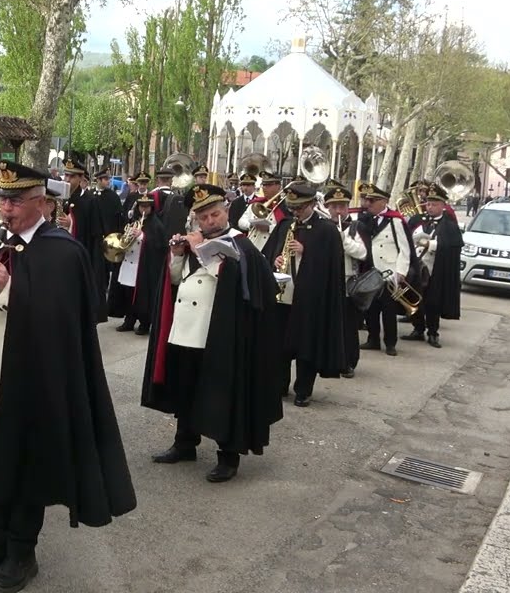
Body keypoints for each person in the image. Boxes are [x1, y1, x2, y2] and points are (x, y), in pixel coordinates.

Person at [0, 160, 136, 592]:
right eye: (2, 198)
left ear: (43, 203)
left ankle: (22, 550)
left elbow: (68, 321)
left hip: (31, 382)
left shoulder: (63, 251)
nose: (6, 209)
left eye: (15, 200)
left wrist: (11, 290)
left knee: (24, 462)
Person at [142, 183, 282, 481]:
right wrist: (178, 254)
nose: (210, 221)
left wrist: (200, 250)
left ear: (226, 211)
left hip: (218, 334)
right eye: (203, 217)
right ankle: (185, 443)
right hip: (186, 330)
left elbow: (247, 286)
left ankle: (227, 456)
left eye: (215, 214)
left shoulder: (241, 245)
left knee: (221, 393)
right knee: (186, 387)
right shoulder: (195, 240)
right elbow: (176, 279)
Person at [262, 181, 347, 407]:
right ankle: (279, 385)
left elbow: (333, 267)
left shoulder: (326, 230)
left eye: (300, 208)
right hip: (285, 293)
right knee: (280, 344)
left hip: (311, 297)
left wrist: (306, 253)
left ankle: (303, 389)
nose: (296, 212)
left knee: (305, 344)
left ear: (311, 203)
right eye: (293, 208)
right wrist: (275, 259)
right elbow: (270, 251)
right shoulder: (285, 225)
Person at [356, 183, 414, 356]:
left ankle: (390, 343)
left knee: (388, 310)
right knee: (371, 309)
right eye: (368, 200)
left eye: (373, 201)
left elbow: (405, 248)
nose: (369, 204)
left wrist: (401, 271)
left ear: (384, 202)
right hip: (370, 271)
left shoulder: (395, 220)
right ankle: (373, 339)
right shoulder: (364, 219)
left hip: (389, 272)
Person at [402, 185, 463, 349]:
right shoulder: (417, 220)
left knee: (433, 302)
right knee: (414, 298)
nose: (430, 207)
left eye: (434, 204)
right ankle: (418, 328)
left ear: (443, 205)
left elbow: (454, 245)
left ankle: (433, 332)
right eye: (428, 203)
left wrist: (432, 244)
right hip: (415, 267)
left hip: (436, 270)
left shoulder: (449, 225)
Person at [324, 184, 368, 377]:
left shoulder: (355, 227)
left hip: (347, 282)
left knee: (347, 326)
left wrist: (343, 240)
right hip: (325, 281)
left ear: (348, 207)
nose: (338, 210)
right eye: (334, 206)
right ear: (328, 208)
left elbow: (363, 253)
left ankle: (349, 362)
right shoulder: (322, 226)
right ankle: (329, 360)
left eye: (342, 206)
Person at [60, 159, 111, 320]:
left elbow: (94, 233)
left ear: (81, 178)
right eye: (66, 175)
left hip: (83, 254)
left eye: (71, 177)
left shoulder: (90, 201)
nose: (67, 180)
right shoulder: (61, 198)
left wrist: (71, 224)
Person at [108, 194, 166, 335]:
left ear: (152, 207)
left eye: (146, 206)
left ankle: (144, 323)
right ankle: (129, 320)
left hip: (143, 266)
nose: (143, 209)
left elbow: (159, 245)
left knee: (141, 295)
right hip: (128, 263)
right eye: (141, 206)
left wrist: (141, 236)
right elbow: (123, 239)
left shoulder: (156, 224)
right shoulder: (133, 221)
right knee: (127, 294)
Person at [239, 171, 285, 252]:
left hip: (272, 248)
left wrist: (269, 228)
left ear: (278, 186)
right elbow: (241, 222)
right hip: (253, 245)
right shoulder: (256, 203)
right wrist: (251, 225)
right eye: (263, 185)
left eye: (269, 185)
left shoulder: (285, 206)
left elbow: (287, 228)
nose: (264, 188)